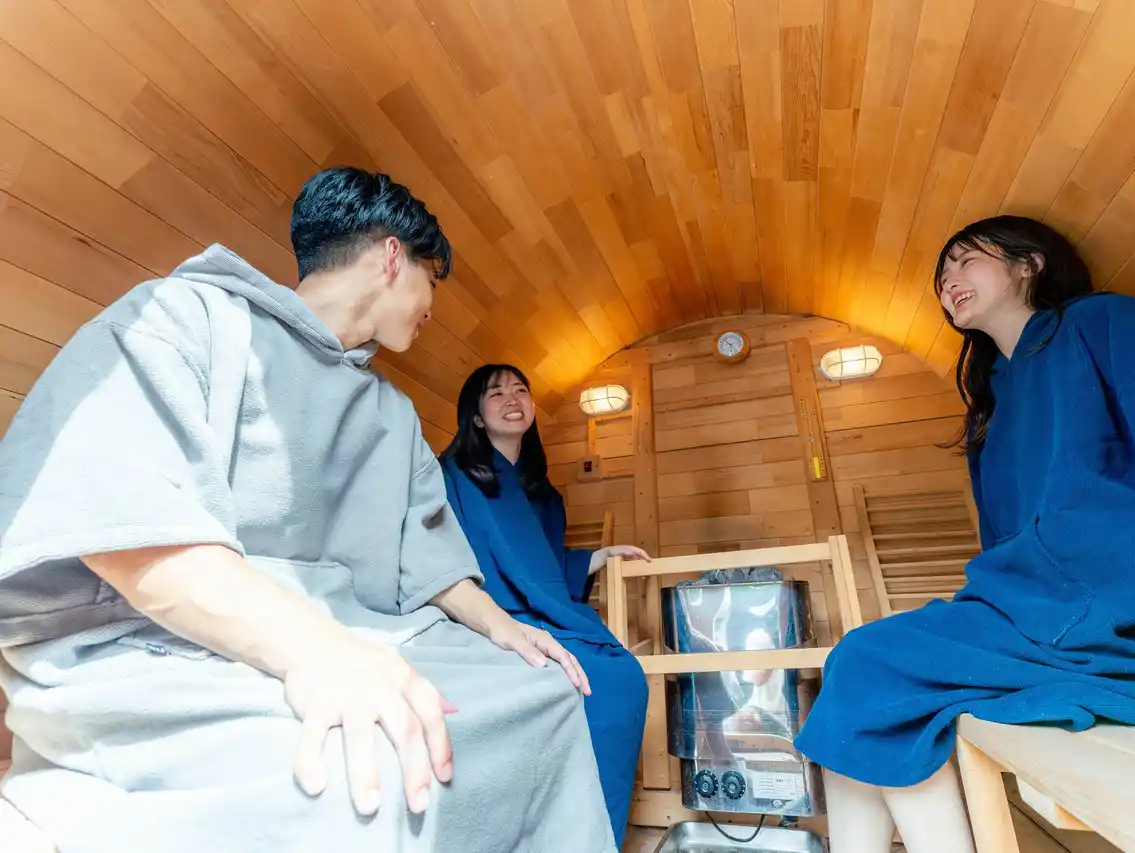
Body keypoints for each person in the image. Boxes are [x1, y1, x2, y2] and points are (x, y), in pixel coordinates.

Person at [0, 167, 616, 853]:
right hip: (171, 635)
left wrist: (503, 627)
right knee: (367, 761)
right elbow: (125, 523)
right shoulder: (185, 316)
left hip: (357, 628)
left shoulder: (392, 412)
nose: (432, 308)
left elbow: (429, 557)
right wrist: (318, 653)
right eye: (431, 281)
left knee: (544, 696)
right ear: (392, 257)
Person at [793, 215, 1135, 853]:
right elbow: (1006, 550)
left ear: (1029, 264)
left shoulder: (1104, 324)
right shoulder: (990, 416)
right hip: (1048, 617)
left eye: (966, 260)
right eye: (942, 273)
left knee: (867, 663)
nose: (947, 280)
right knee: (863, 673)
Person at [438, 365, 651, 847]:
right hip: (485, 613)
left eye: (520, 390)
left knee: (620, 676)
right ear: (476, 416)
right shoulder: (452, 476)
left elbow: (548, 563)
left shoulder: (544, 495)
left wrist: (601, 555)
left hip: (543, 613)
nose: (512, 398)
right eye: (496, 393)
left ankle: (595, 837)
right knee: (609, 678)